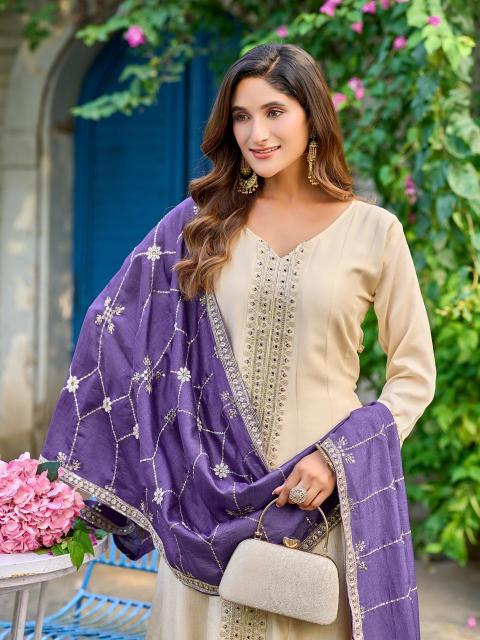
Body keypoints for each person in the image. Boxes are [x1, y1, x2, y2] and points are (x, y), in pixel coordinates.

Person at [41, 43, 436, 639]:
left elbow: (414, 374)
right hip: (203, 503)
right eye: (242, 116)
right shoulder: (200, 224)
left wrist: (339, 459)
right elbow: (113, 335)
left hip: (315, 500)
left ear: (312, 116)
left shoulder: (374, 231)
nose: (258, 133)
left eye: (275, 112)